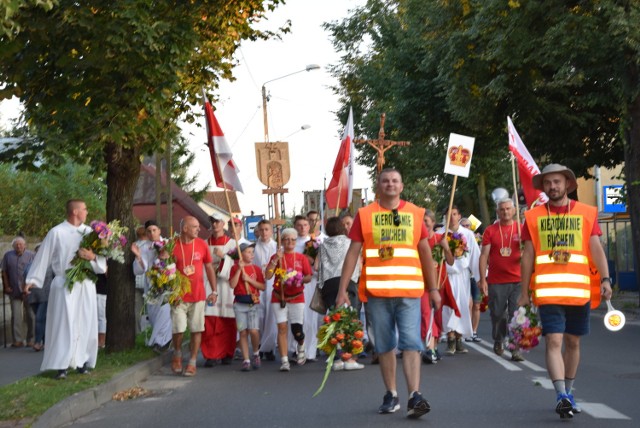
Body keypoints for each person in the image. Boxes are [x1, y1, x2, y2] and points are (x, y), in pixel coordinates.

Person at [336, 168, 440, 419]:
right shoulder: (365, 214)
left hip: (409, 291)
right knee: (384, 346)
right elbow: (353, 253)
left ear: (402, 186)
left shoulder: (415, 213)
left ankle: (415, 395)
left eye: (395, 181)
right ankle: (391, 394)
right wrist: (342, 290)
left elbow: (425, 252)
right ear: (378, 186)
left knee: (412, 343)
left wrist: (434, 288)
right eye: (385, 181)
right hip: (377, 292)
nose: (390, 184)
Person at [518, 164, 612, 419]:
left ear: (568, 184)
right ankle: (560, 395)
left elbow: (596, 248)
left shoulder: (586, 213)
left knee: (572, 342)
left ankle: (569, 392)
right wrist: (524, 291)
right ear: (543, 187)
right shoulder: (533, 216)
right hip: (548, 292)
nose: (553, 187)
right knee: (554, 341)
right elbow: (527, 255)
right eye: (548, 183)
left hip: (578, 291)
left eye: (557, 182)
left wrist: (605, 279)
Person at [25, 199, 107, 379]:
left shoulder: (90, 233)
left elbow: (102, 264)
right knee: (64, 324)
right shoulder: (57, 232)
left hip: (85, 283)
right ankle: (62, 364)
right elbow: (43, 256)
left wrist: (92, 257)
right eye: (85, 209)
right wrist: (31, 279)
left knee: (85, 321)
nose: (87, 212)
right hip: (64, 284)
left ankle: (82, 361)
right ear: (76, 212)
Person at [170, 216, 218, 377]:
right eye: (195, 227)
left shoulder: (202, 245)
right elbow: (164, 269)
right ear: (185, 229)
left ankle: (191, 362)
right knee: (179, 328)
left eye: (198, 226)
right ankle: (177, 353)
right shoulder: (172, 245)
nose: (199, 229)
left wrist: (214, 290)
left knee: (197, 328)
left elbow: (209, 267)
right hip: (178, 296)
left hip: (198, 295)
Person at [478, 198, 524, 361]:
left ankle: (515, 347)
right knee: (498, 314)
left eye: (508, 209)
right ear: (497, 212)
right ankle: (499, 338)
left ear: (514, 211)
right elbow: (484, 255)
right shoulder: (490, 230)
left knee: (516, 314)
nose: (505, 212)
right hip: (497, 280)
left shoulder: (521, 229)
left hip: (518, 280)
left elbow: (530, 251)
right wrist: (482, 278)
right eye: (502, 209)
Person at [316, 216, 363, 371]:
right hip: (348, 283)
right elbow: (357, 263)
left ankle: (335, 359)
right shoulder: (351, 243)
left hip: (329, 285)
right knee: (350, 319)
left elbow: (318, 267)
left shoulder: (323, 246)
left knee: (334, 320)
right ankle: (349, 358)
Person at [265, 228, 312, 371]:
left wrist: (299, 279)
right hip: (279, 297)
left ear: (295, 241)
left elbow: (309, 276)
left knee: (297, 329)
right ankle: (284, 360)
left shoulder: (301, 258)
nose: (289, 242)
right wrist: (275, 260)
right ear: (282, 241)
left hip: (297, 297)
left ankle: (301, 344)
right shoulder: (276, 256)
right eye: (286, 239)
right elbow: (267, 276)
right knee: (282, 328)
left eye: (292, 239)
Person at [437, 206, 481, 355]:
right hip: (446, 276)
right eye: (448, 215)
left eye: (454, 214)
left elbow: (475, 256)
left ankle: (459, 339)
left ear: (459, 215)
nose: (452, 217)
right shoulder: (440, 234)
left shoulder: (468, 234)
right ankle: (450, 340)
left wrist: (480, 278)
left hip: (462, 276)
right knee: (449, 307)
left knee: (462, 305)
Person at [131, 220, 173, 352]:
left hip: (166, 283)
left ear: (159, 230)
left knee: (164, 312)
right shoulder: (144, 247)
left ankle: (163, 341)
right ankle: (158, 340)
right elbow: (139, 269)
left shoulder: (168, 244)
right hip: (151, 284)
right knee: (154, 313)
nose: (152, 233)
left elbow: (174, 262)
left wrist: (165, 257)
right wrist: (138, 257)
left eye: (154, 230)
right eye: (149, 231)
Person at [202, 214, 237, 366]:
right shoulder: (204, 243)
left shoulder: (232, 244)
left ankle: (227, 352)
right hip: (210, 284)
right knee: (210, 320)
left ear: (223, 224)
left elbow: (236, 265)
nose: (215, 224)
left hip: (227, 286)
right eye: (212, 222)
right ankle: (211, 354)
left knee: (228, 320)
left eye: (217, 222)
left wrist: (224, 258)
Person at [420, 209, 454, 364]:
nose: (423, 224)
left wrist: (446, 248)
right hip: (424, 284)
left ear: (433, 223)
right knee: (426, 314)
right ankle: (429, 348)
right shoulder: (418, 241)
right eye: (421, 221)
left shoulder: (441, 238)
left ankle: (434, 345)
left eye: (426, 221)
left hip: (440, 282)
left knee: (438, 318)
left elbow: (451, 261)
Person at [229, 242, 265, 371]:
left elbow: (263, 286)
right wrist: (239, 269)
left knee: (253, 330)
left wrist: (249, 280)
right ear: (241, 254)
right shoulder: (234, 268)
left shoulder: (256, 269)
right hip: (239, 304)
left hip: (252, 304)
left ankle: (256, 353)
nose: (251, 254)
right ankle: (246, 359)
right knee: (242, 332)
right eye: (248, 252)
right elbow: (232, 285)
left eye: (252, 252)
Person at [293, 215, 319, 362]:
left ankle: (311, 351)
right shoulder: (292, 244)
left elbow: (319, 266)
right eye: (299, 225)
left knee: (310, 318)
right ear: (295, 227)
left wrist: (312, 261)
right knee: (297, 317)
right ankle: (296, 349)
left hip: (310, 282)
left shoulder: (314, 244)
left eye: (305, 225)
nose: (302, 228)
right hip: (295, 283)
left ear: (309, 227)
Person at [2, 236, 36, 348]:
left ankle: (31, 339)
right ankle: (18, 340)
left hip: (28, 290)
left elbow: (36, 272)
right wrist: (6, 286)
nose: (19, 246)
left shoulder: (31, 255)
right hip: (14, 290)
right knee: (16, 316)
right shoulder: (8, 256)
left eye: (21, 244)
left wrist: (31, 285)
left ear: (25, 245)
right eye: (16, 244)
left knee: (31, 315)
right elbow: (4, 272)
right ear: (13, 246)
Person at [253, 219, 278, 361]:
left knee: (271, 316)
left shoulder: (276, 246)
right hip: (258, 284)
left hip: (272, 284)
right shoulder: (254, 247)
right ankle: (260, 345)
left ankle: (270, 347)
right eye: (261, 230)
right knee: (260, 316)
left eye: (267, 229)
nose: (264, 232)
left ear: (271, 230)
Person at [23, 243, 51, 352]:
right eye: (38, 251)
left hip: (46, 295)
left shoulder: (51, 265)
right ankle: (45, 341)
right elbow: (24, 279)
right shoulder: (30, 265)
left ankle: (37, 342)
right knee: (41, 319)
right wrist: (24, 291)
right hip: (32, 296)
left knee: (39, 318)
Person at [460, 217, 482, 343]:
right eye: (463, 226)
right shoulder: (457, 239)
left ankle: (474, 331)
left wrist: (482, 277)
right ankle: (466, 331)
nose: (465, 228)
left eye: (468, 225)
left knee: (477, 305)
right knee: (467, 304)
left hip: (475, 276)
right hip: (463, 275)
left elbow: (481, 257)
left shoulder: (476, 239)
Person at [95, 273, 108, 349]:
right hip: (93, 288)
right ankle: (96, 341)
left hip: (102, 290)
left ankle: (101, 341)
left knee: (101, 317)